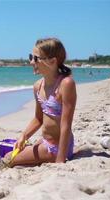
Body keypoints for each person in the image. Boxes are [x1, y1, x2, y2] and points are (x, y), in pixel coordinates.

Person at [4, 38, 76, 167]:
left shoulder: (66, 84)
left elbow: (66, 126)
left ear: (52, 61)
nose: (31, 62)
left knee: (8, 158)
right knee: (17, 150)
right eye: (31, 57)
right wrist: (24, 136)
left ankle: (47, 156)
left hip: (58, 148)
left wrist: (60, 160)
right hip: (45, 141)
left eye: (36, 58)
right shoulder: (38, 86)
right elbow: (39, 118)